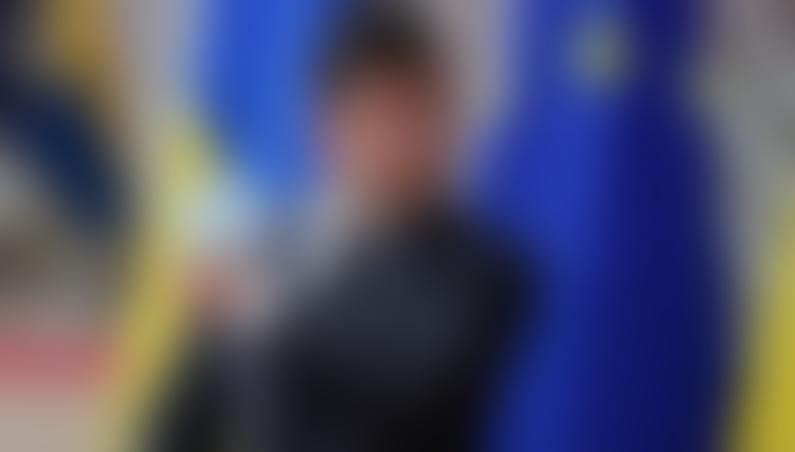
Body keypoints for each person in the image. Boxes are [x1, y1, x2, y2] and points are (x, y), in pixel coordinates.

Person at [158, 4, 529, 452]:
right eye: (374, 112)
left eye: (413, 113)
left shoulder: (486, 273)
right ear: (326, 121)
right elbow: (184, 425)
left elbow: (402, 385)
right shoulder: (266, 250)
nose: (396, 139)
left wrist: (265, 319)